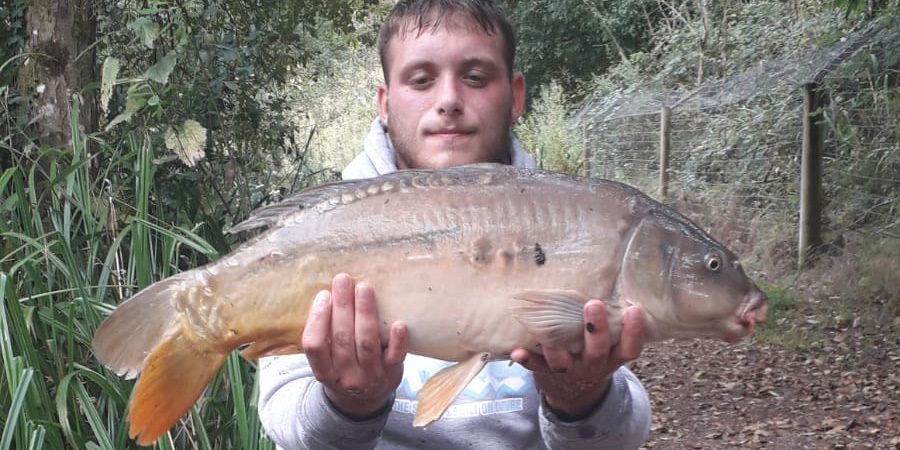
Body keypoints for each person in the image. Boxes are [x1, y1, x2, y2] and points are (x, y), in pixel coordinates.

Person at [257, 1, 652, 448]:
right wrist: (352, 404)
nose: (448, 101)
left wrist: (579, 396)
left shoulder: (569, 221)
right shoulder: (323, 228)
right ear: (385, 103)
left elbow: (621, 437)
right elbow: (287, 425)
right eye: (421, 79)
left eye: (475, 77)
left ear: (515, 95)